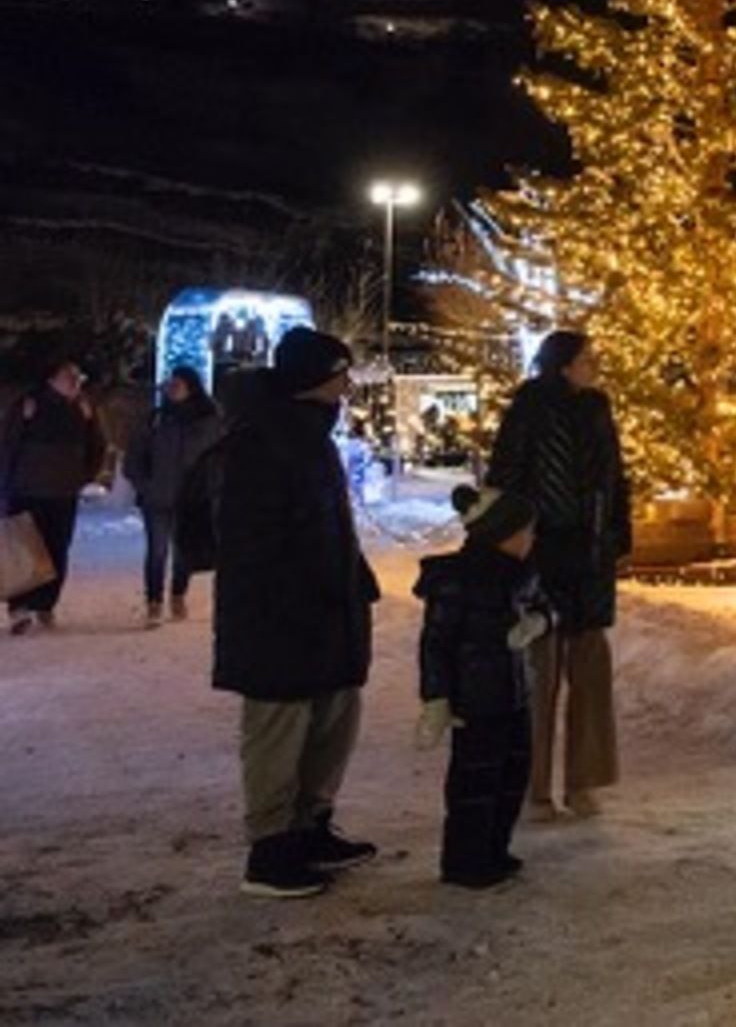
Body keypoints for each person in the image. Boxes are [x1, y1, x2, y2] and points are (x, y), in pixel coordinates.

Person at [212, 328, 383, 899]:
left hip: (326, 608)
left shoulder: (310, 436)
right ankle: (271, 848)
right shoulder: (263, 440)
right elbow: (253, 539)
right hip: (280, 616)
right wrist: (302, 588)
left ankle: (309, 827)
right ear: (314, 379)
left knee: (331, 718)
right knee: (279, 727)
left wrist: (350, 580)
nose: (348, 385)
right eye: (340, 374)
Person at [486, 331, 630, 821]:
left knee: (590, 672)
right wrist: (514, 544)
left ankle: (584, 781)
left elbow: (615, 478)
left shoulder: (597, 408)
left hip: (590, 557)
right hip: (541, 555)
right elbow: (505, 478)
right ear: (563, 365)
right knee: (538, 674)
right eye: (586, 358)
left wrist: (615, 536)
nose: (595, 365)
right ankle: (535, 788)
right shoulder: (528, 409)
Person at [414, 484, 551, 890]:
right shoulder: (457, 580)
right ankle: (465, 860)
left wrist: (539, 622)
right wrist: (436, 698)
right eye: (525, 532)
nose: (531, 539)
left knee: (512, 775)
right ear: (502, 534)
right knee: (475, 781)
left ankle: (494, 849)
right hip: (475, 701)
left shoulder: (523, 575)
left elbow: (547, 605)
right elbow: (436, 644)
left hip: (513, 695)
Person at [3, 357, 108, 634]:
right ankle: (20, 607)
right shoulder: (30, 404)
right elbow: (8, 444)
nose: (75, 382)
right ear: (52, 379)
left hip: (63, 492)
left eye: (78, 377)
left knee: (57, 548)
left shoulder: (83, 408)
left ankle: (45, 603)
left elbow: (98, 446)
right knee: (24, 549)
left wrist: (83, 475)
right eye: (69, 376)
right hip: (27, 489)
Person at [125, 365, 225, 625]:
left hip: (193, 498)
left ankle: (178, 593)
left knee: (184, 552)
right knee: (157, 551)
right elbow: (135, 455)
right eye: (169, 385)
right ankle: (154, 601)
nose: (172, 390)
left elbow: (220, 458)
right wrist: (145, 485)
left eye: (177, 385)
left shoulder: (210, 420)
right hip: (157, 497)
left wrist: (213, 486)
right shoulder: (156, 419)